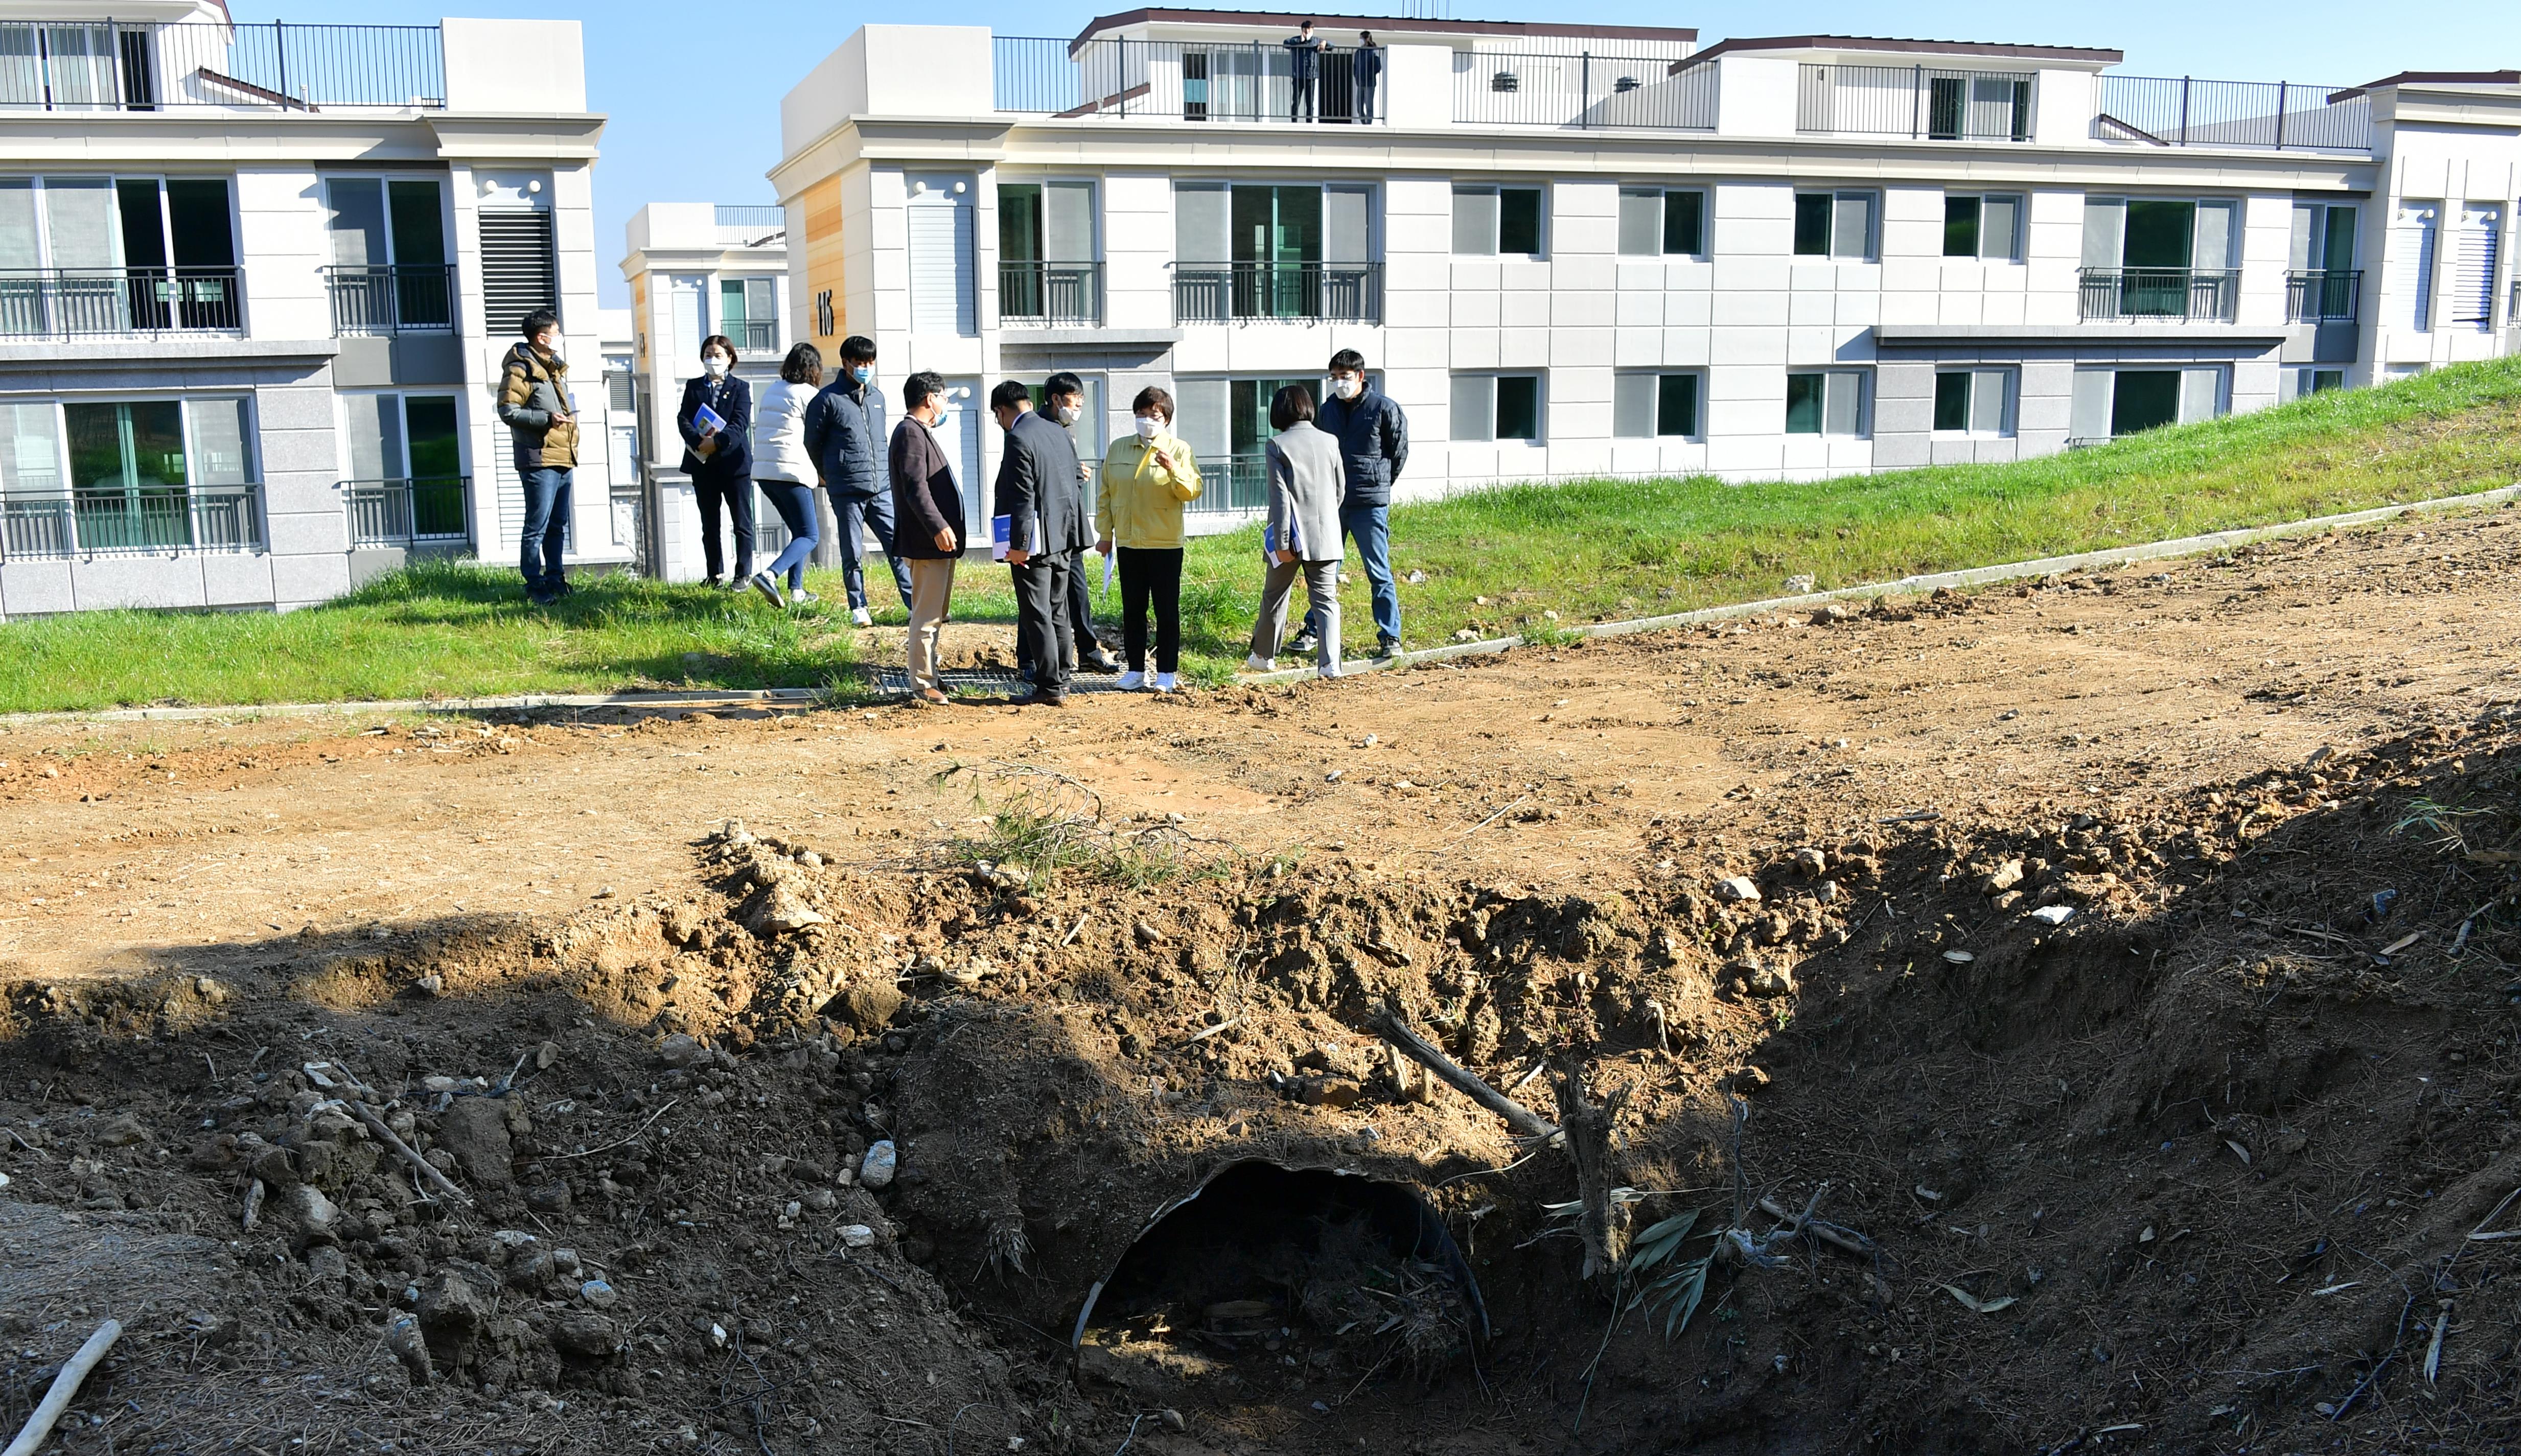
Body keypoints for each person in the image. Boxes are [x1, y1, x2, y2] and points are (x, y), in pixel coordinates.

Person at [1300, 348, 1409, 660]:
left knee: (1379, 571)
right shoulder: (1327, 410)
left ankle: (1390, 636)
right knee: (1325, 570)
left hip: (1369, 503)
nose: (1339, 383)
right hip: (1332, 502)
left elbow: (1398, 452)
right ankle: (1312, 630)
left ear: (1361, 376)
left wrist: (1379, 483)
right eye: (1334, 377)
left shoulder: (1384, 408)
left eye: (1345, 377)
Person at [1094, 386, 1202, 693]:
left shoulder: (1179, 449)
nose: (1146, 420)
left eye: (1154, 415)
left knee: (1166, 610)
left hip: (1165, 543)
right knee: (1133, 610)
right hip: (1129, 543)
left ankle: (1167, 672)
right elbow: (1106, 495)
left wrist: (1174, 469)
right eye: (1141, 414)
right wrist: (1105, 535)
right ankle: (1136, 670)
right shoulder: (1118, 449)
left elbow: (1192, 491)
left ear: (1166, 418)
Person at [991, 379, 1089, 707]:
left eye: (997, 417)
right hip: (1064, 537)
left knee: (1037, 611)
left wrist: (1019, 545)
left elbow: (1023, 497)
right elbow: (1076, 480)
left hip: (1036, 542)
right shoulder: (1057, 430)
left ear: (1002, 411)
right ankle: (1063, 678)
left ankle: (1049, 686)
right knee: (1059, 609)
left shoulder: (1018, 437)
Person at [804, 334, 910, 627]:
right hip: (846, 489)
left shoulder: (878, 398)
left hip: (881, 488)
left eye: (870, 362)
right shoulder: (827, 400)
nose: (866, 367)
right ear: (846, 363)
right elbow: (812, 442)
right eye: (860, 363)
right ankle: (859, 606)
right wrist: (828, 474)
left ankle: (914, 603)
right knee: (852, 552)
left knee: (899, 548)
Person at [1246, 384, 1345, 679]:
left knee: (1275, 595)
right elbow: (1340, 491)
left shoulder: (1277, 445)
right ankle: (1330, 665)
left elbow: (1280, 498)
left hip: (1290, 537)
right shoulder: (1331, 441)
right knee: (1326, 600)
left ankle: (1264, 656)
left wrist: (1282, 542)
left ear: (1280, 411)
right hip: (1327, 534)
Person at [1038, 371, 1121, 675]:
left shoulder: (1065, 429)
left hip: (1070, 525)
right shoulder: (1037, 428)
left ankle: (1087, 650)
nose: (1078, 408)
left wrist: (1077, 472)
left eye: (1083, 401)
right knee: (1040, 594)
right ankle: (1030, 659)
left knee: (1078, 590)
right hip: (1047, 528)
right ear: (1056, 399)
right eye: (1075, 401)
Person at [890, 370, 964, 706]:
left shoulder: (920, 432)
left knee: (936, 615)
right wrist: (937, 526)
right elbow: (914, 488)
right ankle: (922, 682)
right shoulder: (909, 432)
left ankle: (931, 675)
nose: (945, 404)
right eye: (943, 397)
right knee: (925, 616)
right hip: (926, 541)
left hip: (937, 543)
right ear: (929, 399)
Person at [495, 308, 576, 605]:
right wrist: (546, 420)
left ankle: (556, 578)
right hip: (538, 458)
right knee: (537, 524)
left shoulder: (553, 367)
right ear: (542, 338)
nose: (559, 339)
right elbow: (508, 411)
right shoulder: (521, 368)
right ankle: (534, 583)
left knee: (557, 524)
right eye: (556, 334)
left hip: (563, 456)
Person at [746, 343, 824, 608]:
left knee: (798, 532)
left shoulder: (772, 390)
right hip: (793, 471)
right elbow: (818, 436)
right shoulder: (810, 395)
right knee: (810, 536)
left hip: (766, 472)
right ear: (814, 369)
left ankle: (797, 591)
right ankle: (769, 575)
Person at [675, 334, 753, 589]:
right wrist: (698, 441)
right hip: (703, 463)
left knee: (741, 522)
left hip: (734, 465)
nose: (712, 360)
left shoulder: (741, 388)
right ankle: (714, 574)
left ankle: (743, 574)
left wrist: (717, 443)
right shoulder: (694, 386)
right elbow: (684, 418)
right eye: (709, 355)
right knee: (710, 522)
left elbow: (740, 423)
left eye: (718, 355)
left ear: (730, 359)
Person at [1285, 19, 1321, 122]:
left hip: (1311, 76)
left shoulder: (1316, 41)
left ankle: (1309, 122)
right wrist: (1299, 41)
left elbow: (1331, 46)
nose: (1308, 33)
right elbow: (1286, 43)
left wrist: (1325, 43)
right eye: (1306, 31)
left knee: (1310, 102)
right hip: (1298, 76)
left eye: (1310, 31)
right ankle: (1294, 122)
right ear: (1302, 31)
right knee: (1296, 101)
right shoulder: (1296, 40)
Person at [1352, 31, 1381, 123]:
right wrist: (1356, 75)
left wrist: (1369, 75)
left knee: (1369, 106)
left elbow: (1377, 67)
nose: (1360, 40)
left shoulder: (1373, 51)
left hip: (1370, 83)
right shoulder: (1359, 52)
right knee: (1359, 107)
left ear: (1367, 39)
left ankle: (1369, 124)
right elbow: (1355, 66)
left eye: (1361, 38)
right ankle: (1364, 123)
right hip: (1360, 83)